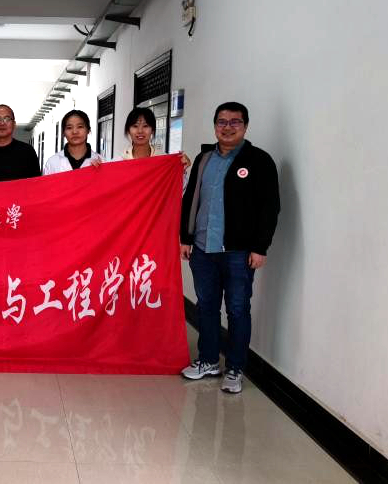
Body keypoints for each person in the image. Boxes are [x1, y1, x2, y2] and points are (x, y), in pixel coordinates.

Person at [179, 102, 280, 393]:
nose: (227, 127)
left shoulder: (259, 160)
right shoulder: (204, 158)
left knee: (237, 309)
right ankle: (209, 360)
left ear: (245, 126)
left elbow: (270, 207)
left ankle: (235, 367)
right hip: (203, 249)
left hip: (239, 251)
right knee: (206, 306)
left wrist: (260, 247)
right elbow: (191, 199)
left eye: (235, 122)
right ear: (215, 126)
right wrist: (185, 238)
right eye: (222, 122)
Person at [119, 107, 191, 170]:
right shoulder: (119, 161)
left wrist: (181, 169)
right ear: (128, 130)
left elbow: (178, 181)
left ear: (152, 130)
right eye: (135, 126)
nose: (140, 131)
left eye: (145, 126)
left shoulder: (164, 160)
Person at [42, 109, 103, 174]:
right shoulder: (52, 163)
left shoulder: (102, 162)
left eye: (80, 127)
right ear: (63, 133)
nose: (75, 132)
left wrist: (102, 171)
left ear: (88, 130)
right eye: (69, 127)